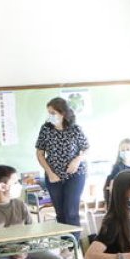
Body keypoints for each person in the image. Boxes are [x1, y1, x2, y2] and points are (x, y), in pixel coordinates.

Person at [35, 97, 88, 245]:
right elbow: (40, 153)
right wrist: (50, 173)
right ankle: (65, 242)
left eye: (53, 112)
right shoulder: (46, 129)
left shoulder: (75, 129)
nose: (50, 115)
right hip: (54, 176)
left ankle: (73, 246)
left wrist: (77, 160)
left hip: (75, 175)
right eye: (49, 112)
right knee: (60, 213)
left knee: (71, 210)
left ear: (62, 113)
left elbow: (86, 149)